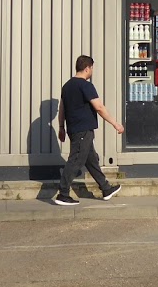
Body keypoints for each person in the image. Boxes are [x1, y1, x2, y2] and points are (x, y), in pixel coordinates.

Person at [53, 55, 124, 206]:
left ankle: (106, 189)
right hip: (83, 130)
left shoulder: (66, 86)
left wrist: (61, 127)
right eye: (92, 68)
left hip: (74, 129)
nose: (92, 71)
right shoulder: (85, 85)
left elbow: (62, 109)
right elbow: (99, 107)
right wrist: (115, 124)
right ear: (87, 68)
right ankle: (63, 194)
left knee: (91, 160)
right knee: (75, 160)